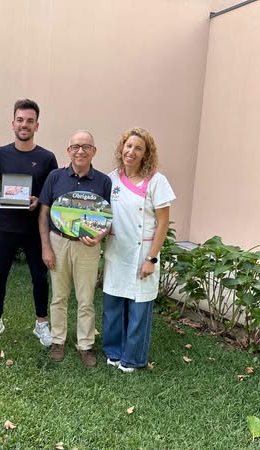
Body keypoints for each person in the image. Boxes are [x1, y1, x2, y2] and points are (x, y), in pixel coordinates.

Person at [102, 127, 175, 372]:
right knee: (112, 306)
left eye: (138, 148)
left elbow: (163, 223)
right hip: (117, 251)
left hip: (143, 253)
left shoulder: (156, 181)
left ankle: (132, 359)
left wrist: (151, 259)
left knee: (138, 309)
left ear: (146, 154)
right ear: (121, 148)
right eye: (128, 146)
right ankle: (113, 352)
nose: (131, 152)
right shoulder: (111, 179)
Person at [0, 99, 58, 345]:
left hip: (35, 228)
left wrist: (39, 199)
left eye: (29, 121)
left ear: (36, 125)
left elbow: (50, 195)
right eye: (20, 120)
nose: (24, 125)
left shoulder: (47, 158)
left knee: (39, 276)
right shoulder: (0, 154)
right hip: (6, 226)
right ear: (13, 123)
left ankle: (41, 324)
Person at [38, 130, 112, 368]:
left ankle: (86, 345)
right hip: (58, 242)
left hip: (87, 247)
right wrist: (46, 247)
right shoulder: (55, 177)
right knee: (59, 297)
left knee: (86, 298)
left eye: (86, 146)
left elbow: (108, 218)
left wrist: (99, 236)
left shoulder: (104, 181)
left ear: (94, 151)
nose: (81, 151)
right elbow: (43, 214)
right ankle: (58, 341)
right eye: (76, 146)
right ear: (68, 150)